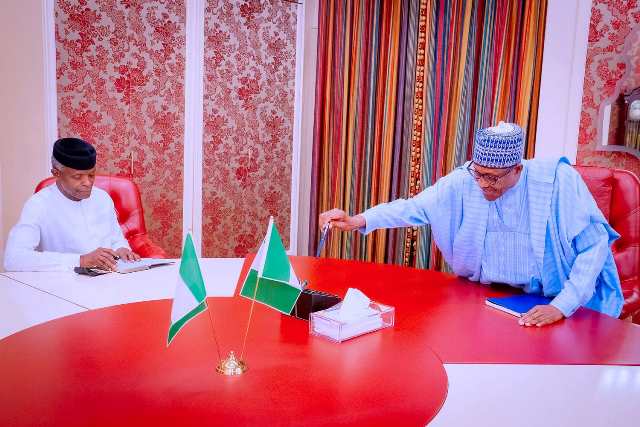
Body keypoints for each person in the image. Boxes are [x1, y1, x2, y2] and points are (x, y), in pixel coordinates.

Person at [319, 122, 623, 327]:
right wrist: (358, 219)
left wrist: (562, 306)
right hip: (488, 301)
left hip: (550, 300)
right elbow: (414, 208)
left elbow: (594, 245)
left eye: (492, 178)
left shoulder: (557, 181)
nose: (482, 185)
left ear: (518, 168)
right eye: (478, 173)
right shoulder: (467, 180)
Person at [4, 137, 139, 272]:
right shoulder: (38, 204)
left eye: (91, 175)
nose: (87, 182)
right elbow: (14, 259)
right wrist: (80, 260)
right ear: (56, 173)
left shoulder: (102, 198)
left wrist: (122, 249)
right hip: (64, 285)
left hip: (110, 280)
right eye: (77, 177)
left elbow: (115, 239)